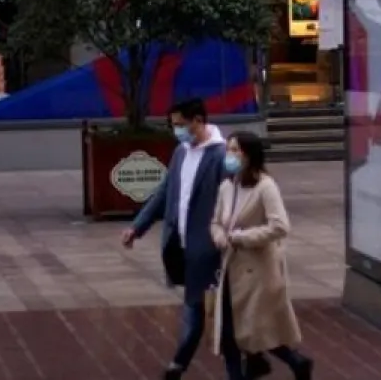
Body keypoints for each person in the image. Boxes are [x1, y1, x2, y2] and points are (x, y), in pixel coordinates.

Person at [123, 99, 229, 380]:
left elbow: (232, 202)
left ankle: (177, 366)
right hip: (181, 244)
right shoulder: (180, 153)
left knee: (196, 308)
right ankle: (285, 358)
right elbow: (164, 192)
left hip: (208, 248)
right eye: (174, 125)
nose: (177, 130)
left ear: (198, 121)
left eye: (181, 125)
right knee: (218, 312)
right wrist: (138, 226)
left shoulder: (220, 156)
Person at [210, 131, 314, 380]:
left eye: (235, 150)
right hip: (231, 269)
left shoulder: (265, 187)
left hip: (257, 271)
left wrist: (241, 237)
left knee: (253, 328)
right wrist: (219, 236)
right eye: (229, 150)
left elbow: (280, 226)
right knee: (233, 331)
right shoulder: (227, 186)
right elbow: (216, 221)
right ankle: (294, 362)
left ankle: (291, 361)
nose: (230, 155)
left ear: (248, 155)